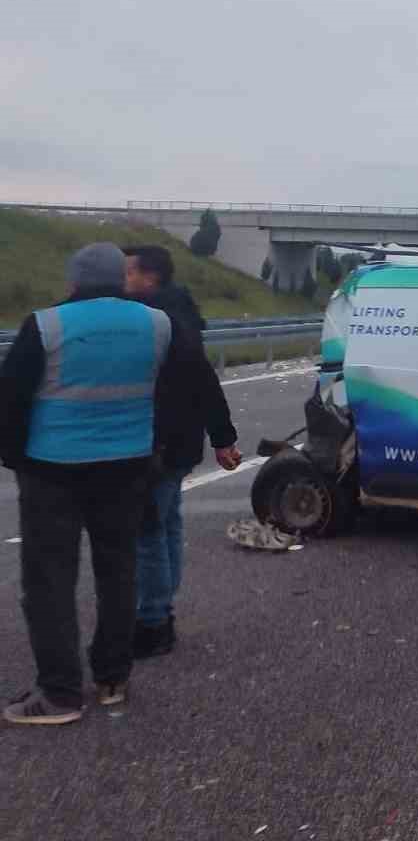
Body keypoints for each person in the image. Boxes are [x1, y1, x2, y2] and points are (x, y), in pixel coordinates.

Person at [0, 243, 212, 724]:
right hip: (127, 467)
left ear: (75, 279)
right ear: (120, 278)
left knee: (49, 579)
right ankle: (113, 678)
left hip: (52, 469)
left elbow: (10, 397)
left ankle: (59, 694)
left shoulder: (47, 324)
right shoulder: (156, 324)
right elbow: (178, 388)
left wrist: (15, 458)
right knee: (118, 572)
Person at [123, 245, 241, 658]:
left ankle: (153, 620)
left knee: (148, 531)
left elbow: (198, 378)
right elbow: (205, 378)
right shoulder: (182, 312)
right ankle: (162, 605)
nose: (123, 280)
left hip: (159, 441)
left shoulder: (155, 321)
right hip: (181, 440)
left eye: (128, 272)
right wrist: (222, 437)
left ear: (148, 276)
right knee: (166, 521)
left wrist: (223, 436)